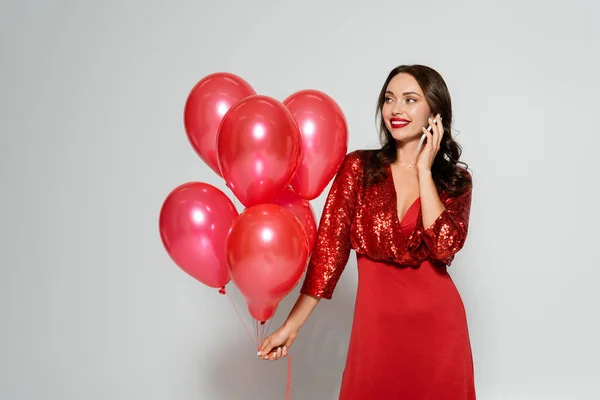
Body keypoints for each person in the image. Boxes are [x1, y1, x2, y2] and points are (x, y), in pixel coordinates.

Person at [257, 64, 476, 399]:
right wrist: (292, 326)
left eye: (410, 99)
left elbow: (445, 246)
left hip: (438, 329)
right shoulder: (359, 168)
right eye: (389, 99)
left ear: (435, 112)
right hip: (376, 330)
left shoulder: (455, 181)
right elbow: (328, 255)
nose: (396, 109)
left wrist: (423, 171)